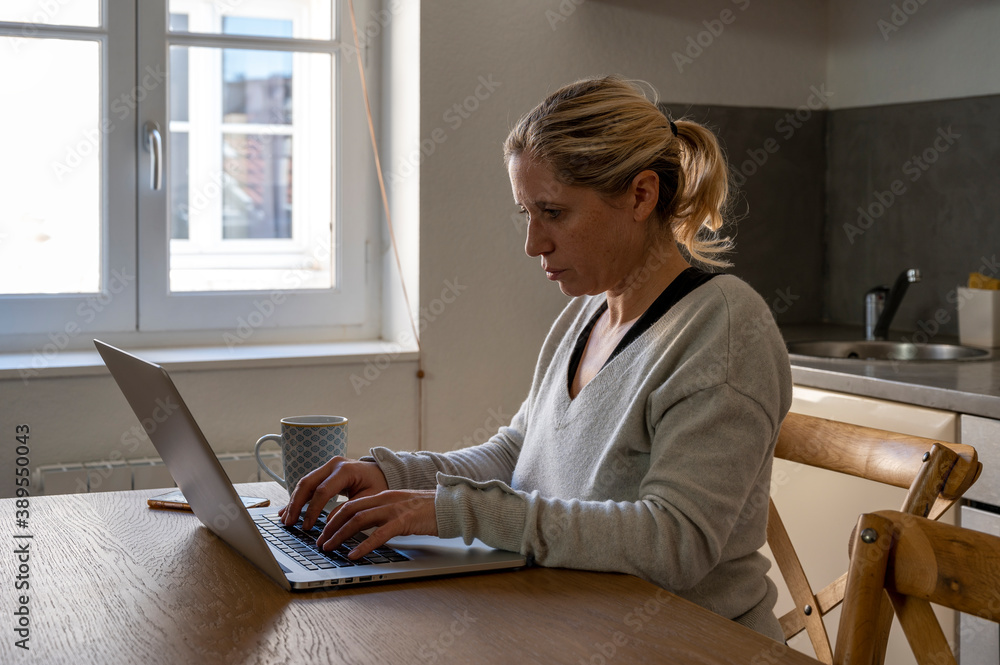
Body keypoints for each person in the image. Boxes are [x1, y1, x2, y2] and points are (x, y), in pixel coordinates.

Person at [280, 75, 792, 641]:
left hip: (689, 644)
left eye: (553, 212)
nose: (533, 243)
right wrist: (394, 476)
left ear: (641, 196)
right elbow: (519, 455)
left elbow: (673, 541)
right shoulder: (586, 315)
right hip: (572, 624)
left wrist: (451, 510)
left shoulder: (722, 328)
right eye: (526, 212)